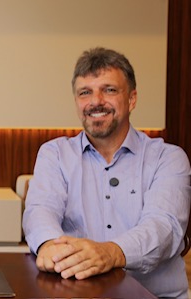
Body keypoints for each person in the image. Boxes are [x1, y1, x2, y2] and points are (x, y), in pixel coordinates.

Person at [22, 47, 191, 299]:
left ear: (132, 99)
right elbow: (40, 210)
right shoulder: (54, 154)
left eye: (109, 90)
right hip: (78, 295)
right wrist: (49, 245)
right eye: (85, 92)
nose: (96, 101)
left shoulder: (168, 158)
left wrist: (110, 253)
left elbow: (163, 227)